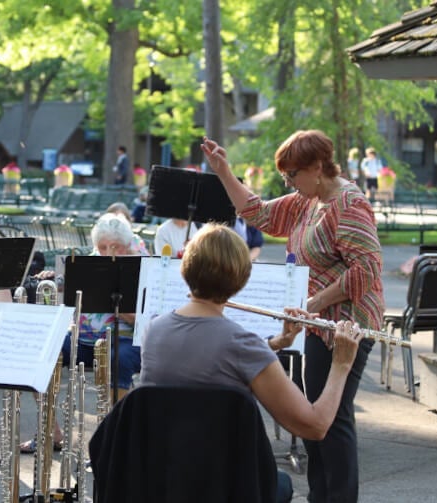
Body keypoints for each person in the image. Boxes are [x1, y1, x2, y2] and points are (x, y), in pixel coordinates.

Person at [202, 131, 383, 503]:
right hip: (315, 324)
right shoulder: (308, 199)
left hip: (343, 326)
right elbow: (259, 213)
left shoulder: (348, 204)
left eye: (292, 175)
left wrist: (313, 304)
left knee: (331, 420)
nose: (289, 184)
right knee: (312, 416)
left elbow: (366, 270)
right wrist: (223, 171)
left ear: (318, 168)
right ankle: (321, 496)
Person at [140, 223, 365, 503]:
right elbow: (315, 426)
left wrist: (276, 343)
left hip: (162, 478)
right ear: (242, 278)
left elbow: (213, 356)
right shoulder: (241, 345)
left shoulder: (153, 330)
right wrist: (341, 364)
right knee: (281, 484)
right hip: (225, 484)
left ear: (186, 268)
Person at [19, 212, 147, 453]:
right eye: (102, 246)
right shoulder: (88, 263)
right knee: (43, 353)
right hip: (84, 338)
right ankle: (49, 430)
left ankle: (115, 436)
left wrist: (117, 304)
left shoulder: (140, 265)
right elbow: (68, 308)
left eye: (115, 247)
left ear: (127, 246)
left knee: (117, 360)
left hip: (124, 339)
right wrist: (56, 285)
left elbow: (147, 320)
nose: (108, 251)